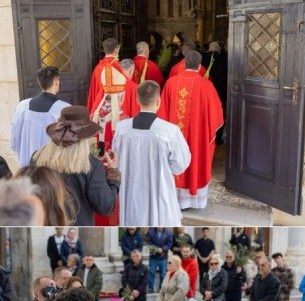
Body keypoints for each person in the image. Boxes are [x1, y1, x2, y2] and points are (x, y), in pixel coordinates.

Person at [113, 80, 191, 225]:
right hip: (159, 191)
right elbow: (180, 164)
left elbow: (116, 158)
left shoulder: (121, 128)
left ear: (137, 99)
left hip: (130, 190)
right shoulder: (169, 131)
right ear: (158, 101)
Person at [32, 105, 120, 225]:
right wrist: (112, 172)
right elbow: (106, 207)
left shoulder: (37, 158)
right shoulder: (92, 166)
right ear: (86, 137)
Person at [159, 50, 223, 210]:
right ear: (200, 66)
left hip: (173, 138)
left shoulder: (171, 83)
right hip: (197, 138)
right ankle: (192, 200)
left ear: (184, 64)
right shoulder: (206, 85)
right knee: (195, 160)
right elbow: (217, 114)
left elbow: (162, 114)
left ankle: (173, 199)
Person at [11, 66, 71, 167]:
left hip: (27, 169)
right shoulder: (64, 109)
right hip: (52, 170)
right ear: (56, 80)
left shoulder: (22, 106)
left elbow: (14, 140)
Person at [146, 227, 173, 292]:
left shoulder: (168, 233)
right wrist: (156, 249)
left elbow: (169, 243)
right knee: (151, 273)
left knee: (163, 274)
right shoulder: (151, 232)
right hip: (153, 257)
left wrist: (163, 249)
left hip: (163, 257)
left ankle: (161, 288)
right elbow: (148, 242)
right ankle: (150, 288)